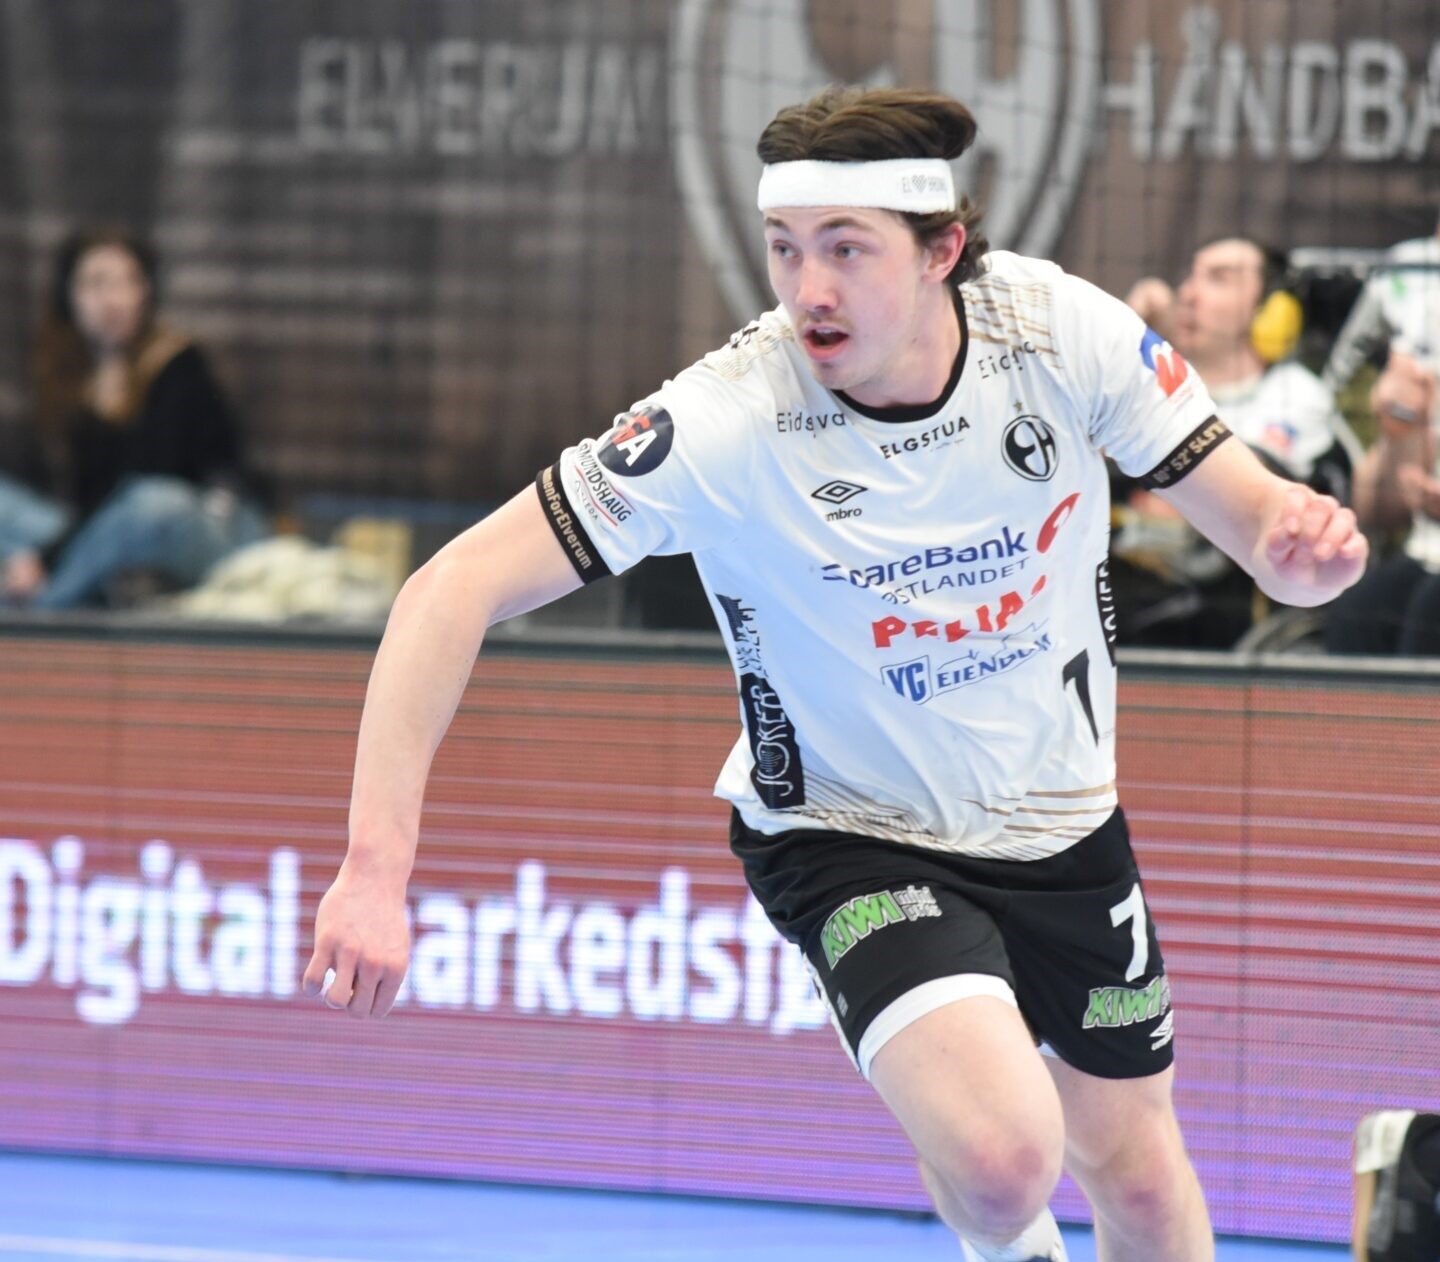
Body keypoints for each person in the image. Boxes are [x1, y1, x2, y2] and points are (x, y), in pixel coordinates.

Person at [304, 88, 1367, 1262]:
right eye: (785, 247)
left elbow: (1266, 532)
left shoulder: (1061, 334)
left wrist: (1306, 552)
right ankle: (997, 1221)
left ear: (940, 250)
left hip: (1064, 820)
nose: (807, 288)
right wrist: (374, 867)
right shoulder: (728, 417)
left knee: (1145, 1182)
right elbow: (448, 588)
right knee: (1006, 1157)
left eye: (846, 249)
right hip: (849, 830)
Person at [3, 226, 267, 609]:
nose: (113, 299)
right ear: (69, 296)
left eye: (127, 282)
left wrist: (47, 559)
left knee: (152, 500)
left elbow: (149, 481)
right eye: (96, 283)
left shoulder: (176, 363)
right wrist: (40, 552)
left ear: (145, 293)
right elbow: (87, 503)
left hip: (207, 526)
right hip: (105, 527)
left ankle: (44, 610)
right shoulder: (73, 376)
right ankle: (47, 585)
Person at [1111, 238, 1356, 647]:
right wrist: (1126, 343)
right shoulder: (1149, 386)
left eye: (1218, 279)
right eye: (1190, 276)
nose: (1188, 294)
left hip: (1225, 611)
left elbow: (1254, 490)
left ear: (1270, 312)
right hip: (1130, 586)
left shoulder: (1294, 392)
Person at [1320, 222, 1440, 656]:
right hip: (1427, 550)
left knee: (1429, 613)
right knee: (1359, 611)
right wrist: (1401, 430)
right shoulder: (1413, 286)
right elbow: (1375, 510)